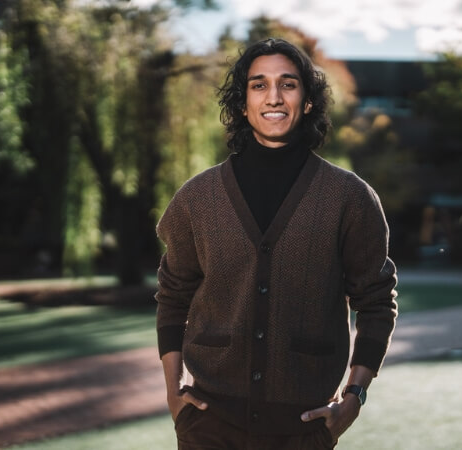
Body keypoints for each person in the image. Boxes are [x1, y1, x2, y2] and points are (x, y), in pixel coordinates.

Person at [155, 37, 398, 449]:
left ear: (306, 101)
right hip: (209, 426)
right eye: (258, 84)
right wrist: (173, 390)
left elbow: (376, 302)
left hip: (303, 427)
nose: (274, 96)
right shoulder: (197, 198)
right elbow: (173, 296)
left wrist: (354, 398)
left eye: (288, 84)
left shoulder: (349, 197)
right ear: (242, 102)